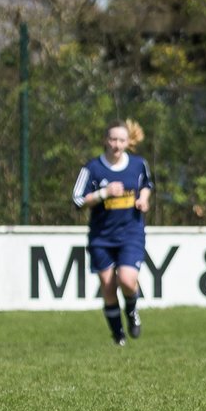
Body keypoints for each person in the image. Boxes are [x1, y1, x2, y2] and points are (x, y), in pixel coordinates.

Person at [72, 119, 154, 346]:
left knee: (127, 280)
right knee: (108, 288)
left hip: (131, 233)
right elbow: (77, 199)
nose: (116, 144)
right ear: (105, 140)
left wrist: (143, 200)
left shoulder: (138, 165)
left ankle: (131, 310)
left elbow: (147, 185)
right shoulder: (93, 168)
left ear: (128, 142)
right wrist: (103, 193)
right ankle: (118, 337)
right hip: (102, 237)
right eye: (113, 139)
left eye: (121, 140)